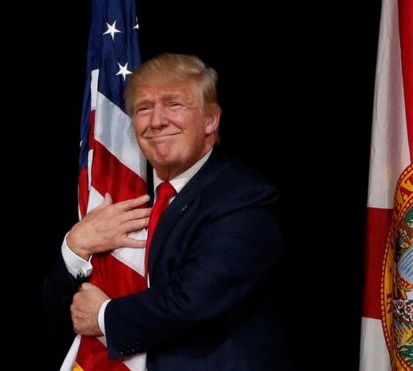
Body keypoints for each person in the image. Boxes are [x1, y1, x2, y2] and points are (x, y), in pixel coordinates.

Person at [44, 53, 293, 370]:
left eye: (174, 105)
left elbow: (194, 301)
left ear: (210, 120)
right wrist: (75, 246)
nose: (157, 120)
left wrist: (104, 316)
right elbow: (55, 314)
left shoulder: (244, 197)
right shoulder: (125, 195)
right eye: (144, 108)